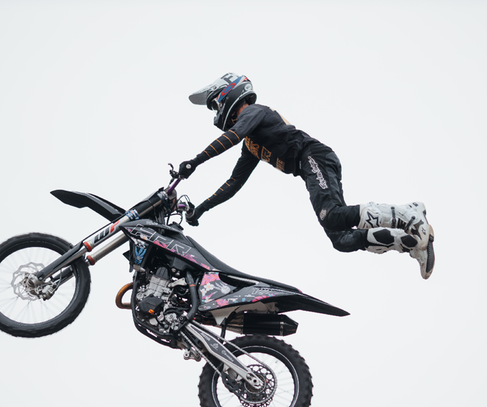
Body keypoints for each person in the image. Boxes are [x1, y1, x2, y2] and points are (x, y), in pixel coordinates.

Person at [178, 73, 435, 279]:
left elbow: (232, 137)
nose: (216, 111)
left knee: (331, 215)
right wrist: (201, 209)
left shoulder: (253, 112)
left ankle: (406, 214)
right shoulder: (251, 144)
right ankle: (409, 242)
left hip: (312, 155)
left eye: (215, 104)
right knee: (340, 239)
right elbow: (234, 183)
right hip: (308, 167)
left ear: (229, 93)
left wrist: (195, 162)